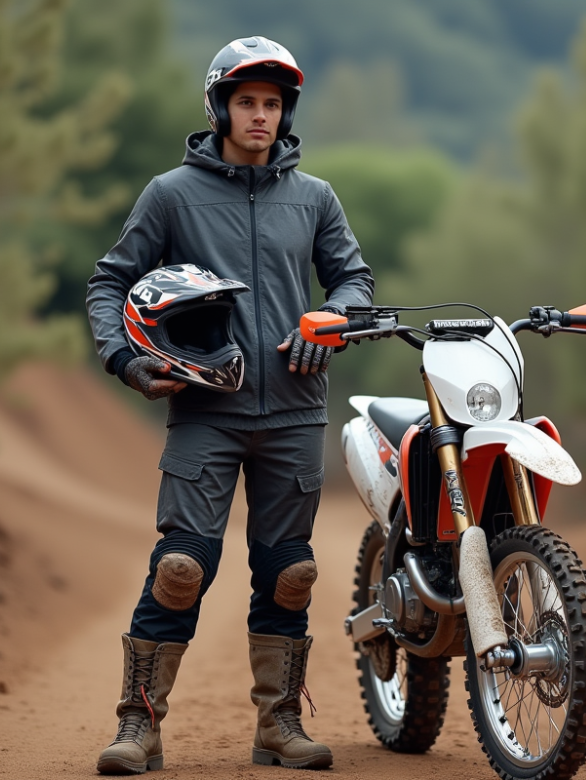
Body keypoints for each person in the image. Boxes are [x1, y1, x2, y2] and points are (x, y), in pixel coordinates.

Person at [85, 36, 374, 774]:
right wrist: (126, 359)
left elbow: (353, 283)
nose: (260, 116)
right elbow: (109, 284)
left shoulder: (316, 198)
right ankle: (137, 730)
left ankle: (278, 727)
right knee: (180, 567)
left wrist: (329, 324)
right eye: (246, 101)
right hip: (205, 412)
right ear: (219, 106)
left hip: (295, 412)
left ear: (285, 113)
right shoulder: (170, 194)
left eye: (273, 104)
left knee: (289, 573)